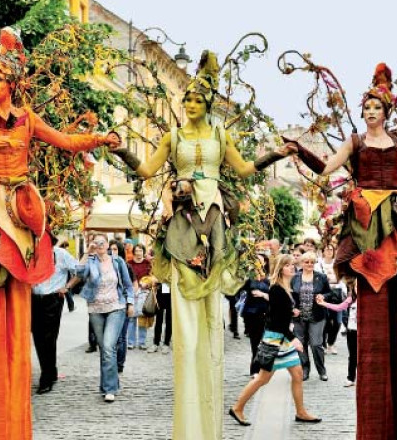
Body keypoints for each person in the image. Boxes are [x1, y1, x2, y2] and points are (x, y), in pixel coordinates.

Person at [0, 29, 120, 440]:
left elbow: (65, 141)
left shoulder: (28, 119)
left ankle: (15, 414)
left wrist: (99, 139)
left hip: (21, 209)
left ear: (11, 84)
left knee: (19, 288)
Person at [110, 50, 295, 439]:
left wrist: (274, 155)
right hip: (182, 219)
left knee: (211, 309)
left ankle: (209, 408)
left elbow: (243, 169)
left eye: (197, 99)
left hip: (214, 218)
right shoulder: (172, 136)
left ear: (207, 103)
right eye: (187, 99)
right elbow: (145, 171)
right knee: (183, 301)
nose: (190, 103)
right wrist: (121, 150)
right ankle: (189, 413)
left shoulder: (219, 134)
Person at [289, 63, 397, 439]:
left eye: (376, 108)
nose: (369, 113)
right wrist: (299, 150)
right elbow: (326, 168)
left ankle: (396, 425)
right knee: (373, 305)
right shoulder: (354, 142)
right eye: (365, 108)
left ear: (386, 112)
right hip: (368, 226)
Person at [229, 254, 320, 426]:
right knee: (263, 378)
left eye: (293, 265)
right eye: (288, 265)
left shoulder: (285, 287)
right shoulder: (277, 289)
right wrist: (294, 339)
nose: (292, 267)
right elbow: (277, 321)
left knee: (297, 374)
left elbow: (278, 313)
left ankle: (301, 412)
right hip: (277, 339)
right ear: (280, 269)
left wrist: (290, 312)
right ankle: (238, 408)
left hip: (282, 338)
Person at [74, 233, 135, 402]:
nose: (100, 245)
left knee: (108, 346)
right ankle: (109, 385)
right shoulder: (91, 261)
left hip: (116, 307)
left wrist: (130, 303)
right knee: (105, 350)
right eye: (97, 242)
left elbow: (128, 285)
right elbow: (78, 273)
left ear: (108, 245)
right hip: (96, 309)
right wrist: (87, 252)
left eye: (103, 242)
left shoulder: (118, 262)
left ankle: (110, 389)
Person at [31, 233, 78, 395]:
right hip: (34, 299)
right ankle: (51, 371)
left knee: (49, 338)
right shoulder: (31, 254)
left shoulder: (61, 254)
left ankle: (46, 378)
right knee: (38, 338)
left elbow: (79, 271)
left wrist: (67, 287)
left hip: (52, 299)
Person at [291, 251, 333, 381]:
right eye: (306, 262)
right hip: (299, 317)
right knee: (301, 345)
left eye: (311, 262)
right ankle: (305, 369)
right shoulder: (295, 277)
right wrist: (292, 308)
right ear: (302, 263)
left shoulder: (321, 277)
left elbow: (330, 293)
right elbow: (289, 296)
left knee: (316, 344)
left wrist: (323, 296)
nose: (309, 264)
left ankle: (321, 370)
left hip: (317, 316)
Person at [316, 279, 358, 387]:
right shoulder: (351, 299)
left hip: (365, 333)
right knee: (352, 356)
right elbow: (339, 307)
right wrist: (324, 303)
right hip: (352, 330)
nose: (358, 289)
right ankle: (351, 378)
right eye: (357, 287)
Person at [239, 254, 271, 376]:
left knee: (267, 342)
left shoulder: (269, 279)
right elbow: (238, 289)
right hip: (252, 314)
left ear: (264, 263)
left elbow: (275, 297)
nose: (257, 262)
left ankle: (265, 368)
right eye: (255, 260)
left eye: (260, 260)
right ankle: (255, 370)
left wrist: (263, 295)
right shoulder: (248, 278)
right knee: (256, 343)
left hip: (266, 314)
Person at [109, 240, 135, 373]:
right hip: (109, 305)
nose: (113, 252)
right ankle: (112, 362)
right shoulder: (105, 266)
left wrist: (130, 303)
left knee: (121, 337)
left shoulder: (125, 266)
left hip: (122, 303)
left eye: (115, 249)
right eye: (111, 249)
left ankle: (120, 364)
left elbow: (129, 286)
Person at [315, 243, 345, 355]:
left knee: (337, 321)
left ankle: (331, 343)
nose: (329, 251)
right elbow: (319, 279)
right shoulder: (318, 264)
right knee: (325, 321)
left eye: (331, 249)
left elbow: (339, 279)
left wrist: (330, 279)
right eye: (327, 249)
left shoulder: (338, 264)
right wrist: (330, 279)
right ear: (323, 251)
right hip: (324, 295)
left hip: (337, 295)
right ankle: (323, 344)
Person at [147, 281, 172, 354]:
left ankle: (166, 343)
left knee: (169, 320)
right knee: (158, 320)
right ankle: (156, 343)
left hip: (171, 293)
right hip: (161, 292)